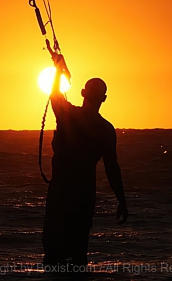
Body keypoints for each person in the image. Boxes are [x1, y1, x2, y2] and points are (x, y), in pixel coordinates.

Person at [42, 53, 128, 267]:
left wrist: (58, 69)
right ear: (104, 98)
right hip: (84, 196)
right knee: (79, 251)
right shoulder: (106, 129)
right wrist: (122, 201)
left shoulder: (67, 114)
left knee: (53, 252)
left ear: (82, 93)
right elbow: (112, 168)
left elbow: (54, 94)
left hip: (60, 192)